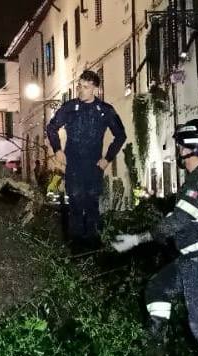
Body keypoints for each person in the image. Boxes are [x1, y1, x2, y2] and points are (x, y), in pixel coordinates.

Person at [112, 119, 198, 356]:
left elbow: (177, 222)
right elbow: (184, 218)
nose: (179, 152)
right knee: (158, 287)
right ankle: (155, 349)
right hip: (193, 258)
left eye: (181, 147)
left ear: (191, 148)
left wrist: (137, 239)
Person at [46, 70, 127, 251]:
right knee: (75, 203)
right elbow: (51, 128)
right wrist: (57, 149)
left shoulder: (105, 110)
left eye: (86, 87)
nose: (81, 90)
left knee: (91, 204)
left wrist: (108, 158)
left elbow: (120, 135)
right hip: (73, 164)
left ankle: (93, 247)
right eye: (79, 86)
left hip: (94, 165)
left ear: (95, 89)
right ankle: (75, 247)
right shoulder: (69, 108)